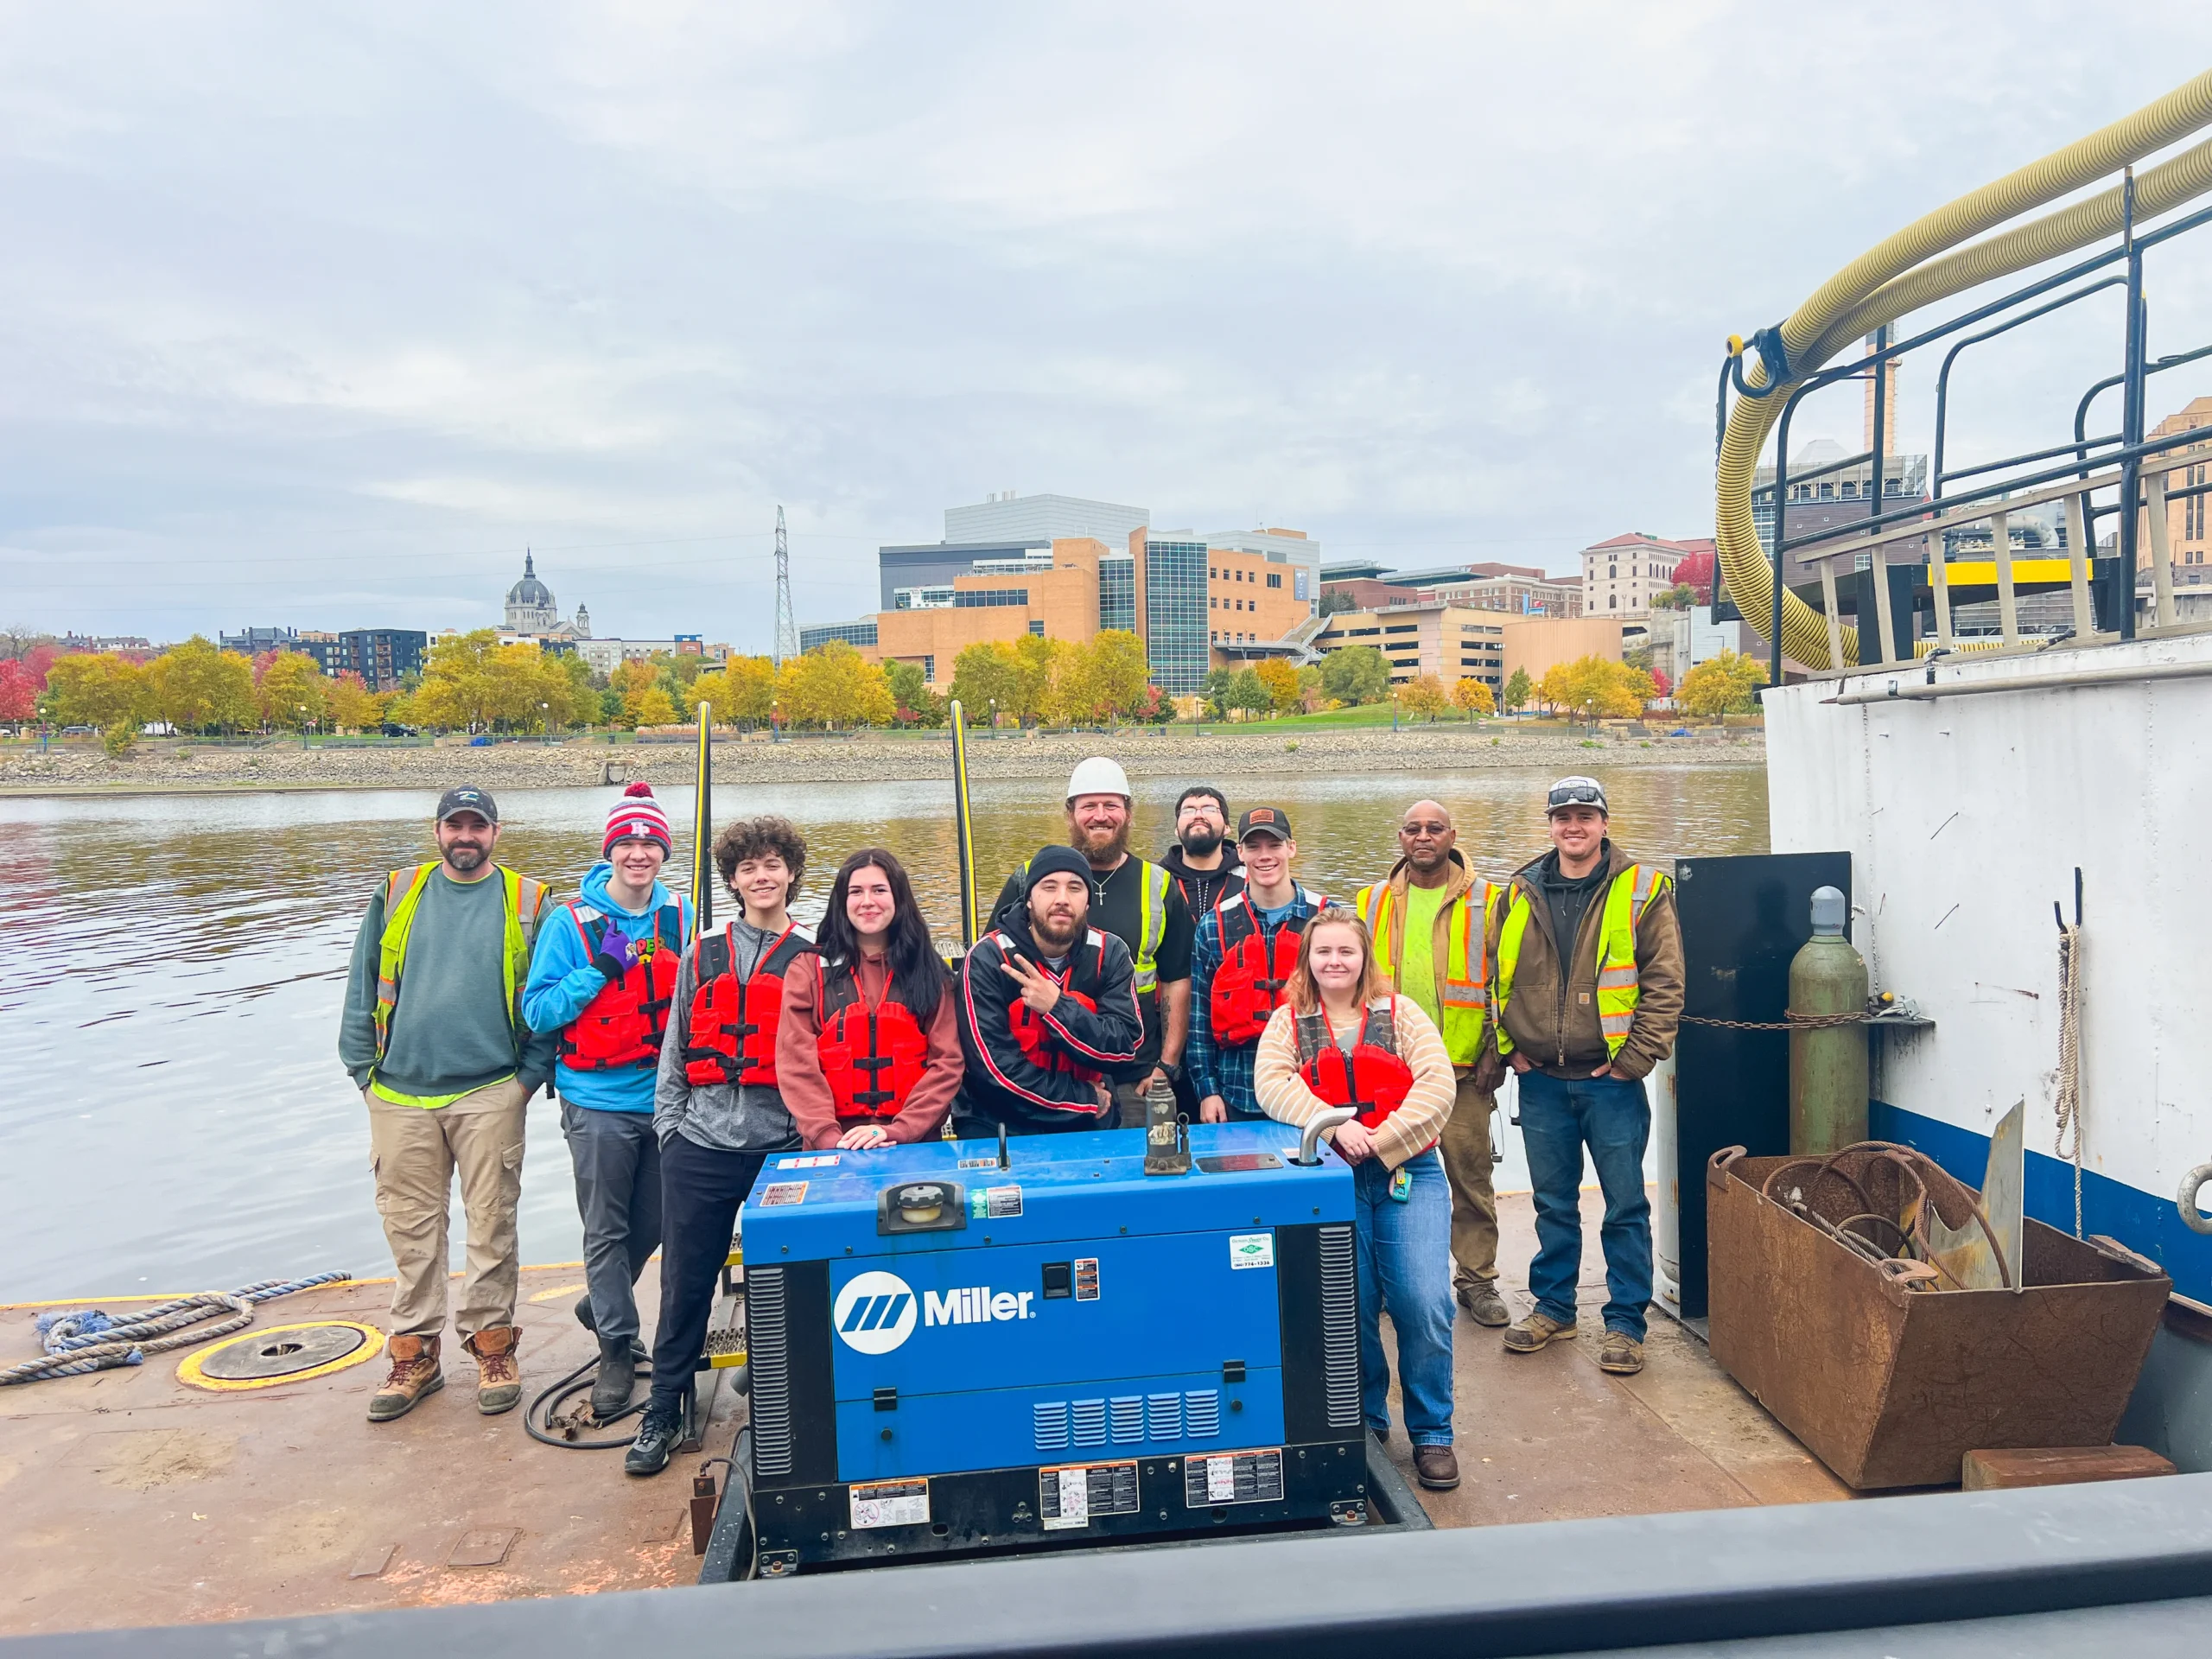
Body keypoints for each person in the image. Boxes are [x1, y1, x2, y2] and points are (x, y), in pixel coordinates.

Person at [339, 785, 554, 1422]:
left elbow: (543, 996)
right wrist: (362, 1071)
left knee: (492, 1222)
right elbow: (361, 982)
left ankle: (492, 1346)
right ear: (437, 832)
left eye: (477, 827)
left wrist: (528, 1078)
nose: (466, 837)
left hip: (492, 1087)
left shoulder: (530, 901)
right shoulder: (398, 891)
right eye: (455, 826)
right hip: (398, 1089)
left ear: (496, 831)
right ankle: (416, 1355)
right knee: (410, 1228)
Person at [628, 816, 816, 1476]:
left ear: (792, 871)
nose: (762, 877)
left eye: (772, 865)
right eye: (748, 869)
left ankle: (784, 1400)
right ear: (732, 880)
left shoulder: (816, 956)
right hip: (700, 1144)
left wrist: (809, 1140)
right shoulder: (702, 952)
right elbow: (675, 1050)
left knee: (786, 1283)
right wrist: (671, 1129)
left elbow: (824, 1056)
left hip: (783, 1149)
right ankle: (662, 1410)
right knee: (685, 1285)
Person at [1252, 912, 1459, 1492]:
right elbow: (1272, 1083)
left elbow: (1438, 1085)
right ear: (1308, 960)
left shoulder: (1402, 1015)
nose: (1335, 961)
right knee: (1352, 1305)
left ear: (1365, 958)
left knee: (1424, 1301)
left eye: (1347, 951)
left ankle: (1434, 1431)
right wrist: (1333, 1126)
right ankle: (1367, 1420)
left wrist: (1383, 1139)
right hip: (1331, 1179)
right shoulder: (1289, 1022)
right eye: (1324, 952)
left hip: (1407, 1172)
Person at [1493, 776, 1683, 1377]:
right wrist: (1508, 1050)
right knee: (1552, 1203)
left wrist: (1634, 1060)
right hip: (1541, 1080)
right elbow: (1491, 977)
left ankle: (1626, 1323)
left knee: (1625, 1204)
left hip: (1612, 1083)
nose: (1573, 827)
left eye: (1585, 816)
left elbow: (1665, 982)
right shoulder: (1518, 892)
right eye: (1562, 817)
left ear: (1604, 822)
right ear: (1550, 824)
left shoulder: (1642, 889)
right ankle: (1555, 1308)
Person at [521, 783, 691, 1419]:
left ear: (664, 851)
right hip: (596, 1099)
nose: (639, 853)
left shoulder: (681, 914)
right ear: (610, 850)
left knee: (663, 1220)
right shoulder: (571, 924)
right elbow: (538, 1011)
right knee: (606, 1227)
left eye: (650, 842)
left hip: (669, 1097)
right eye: (628, 842)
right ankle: (617, 1345)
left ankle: (602, 1300)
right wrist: (602, 971)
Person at [1355, 800, 1512, 1329]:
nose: (1424, 837)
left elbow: (1504, 982)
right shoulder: (1371, 900)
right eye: (1414, 829)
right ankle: (1385, 1281)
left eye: (1435, 828)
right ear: (1401, 837)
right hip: (1388, 1071)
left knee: (1470, 1176)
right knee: (1383, 1174)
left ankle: (1476, 1281)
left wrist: (1496, 1050)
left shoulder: (1488, 900)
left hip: (1464, 1068)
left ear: (1452, 835)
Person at [991, 758, 1192, 1126]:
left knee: (1137, 1173)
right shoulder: (1028, 880)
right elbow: (993, 971)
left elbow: (1177, 978)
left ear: (1128, 813)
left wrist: (1167, 1064)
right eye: (1089, 806)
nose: (1100, 816)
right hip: (1046, 1076)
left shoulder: (1159, 886)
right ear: (1070, 814)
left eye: (1111, 805)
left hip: (1137, 1076)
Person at [778, 849, 963, 1153]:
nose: (867, 902)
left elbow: (948, 1062)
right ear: (842, 901)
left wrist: (899, 1130)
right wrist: (828, 1137)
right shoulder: (807, 970)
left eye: (879, 890)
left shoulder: (930, 972)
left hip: (911, 1143)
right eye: (855, 892)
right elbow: (796, 1065)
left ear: (898, 898)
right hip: (832, 1146)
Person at [957, 845, 1144, 1136]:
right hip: (1000, 1121)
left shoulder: (1110, 954)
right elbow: (992, 1070)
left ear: (1088, 903)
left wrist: (1057, 1007)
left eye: (1075, 888)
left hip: (1090, 1119)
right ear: (1029, 899)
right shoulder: (988, 958)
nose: (1062, 899)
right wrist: (1082, 1098)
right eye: (1049, 887)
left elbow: (1123, 1048)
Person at [1188, 805, 1328, 1122]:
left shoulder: (1328, 918)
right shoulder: (1214, 926)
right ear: (1239, 852)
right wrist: (1207, 1090)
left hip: (1313, 1092)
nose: (1264, 855)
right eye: (1253, 846)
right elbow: (1199, 1020)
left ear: (1291, 847)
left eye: (1274, 845)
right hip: (1238, 1092)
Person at [1161, 785, 1243, 913]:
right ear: (1176, 829)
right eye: (1188, 811)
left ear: (1227, 826)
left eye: (1209, 809)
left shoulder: (1252, 878)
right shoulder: (1156, 880)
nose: (1198, 815)